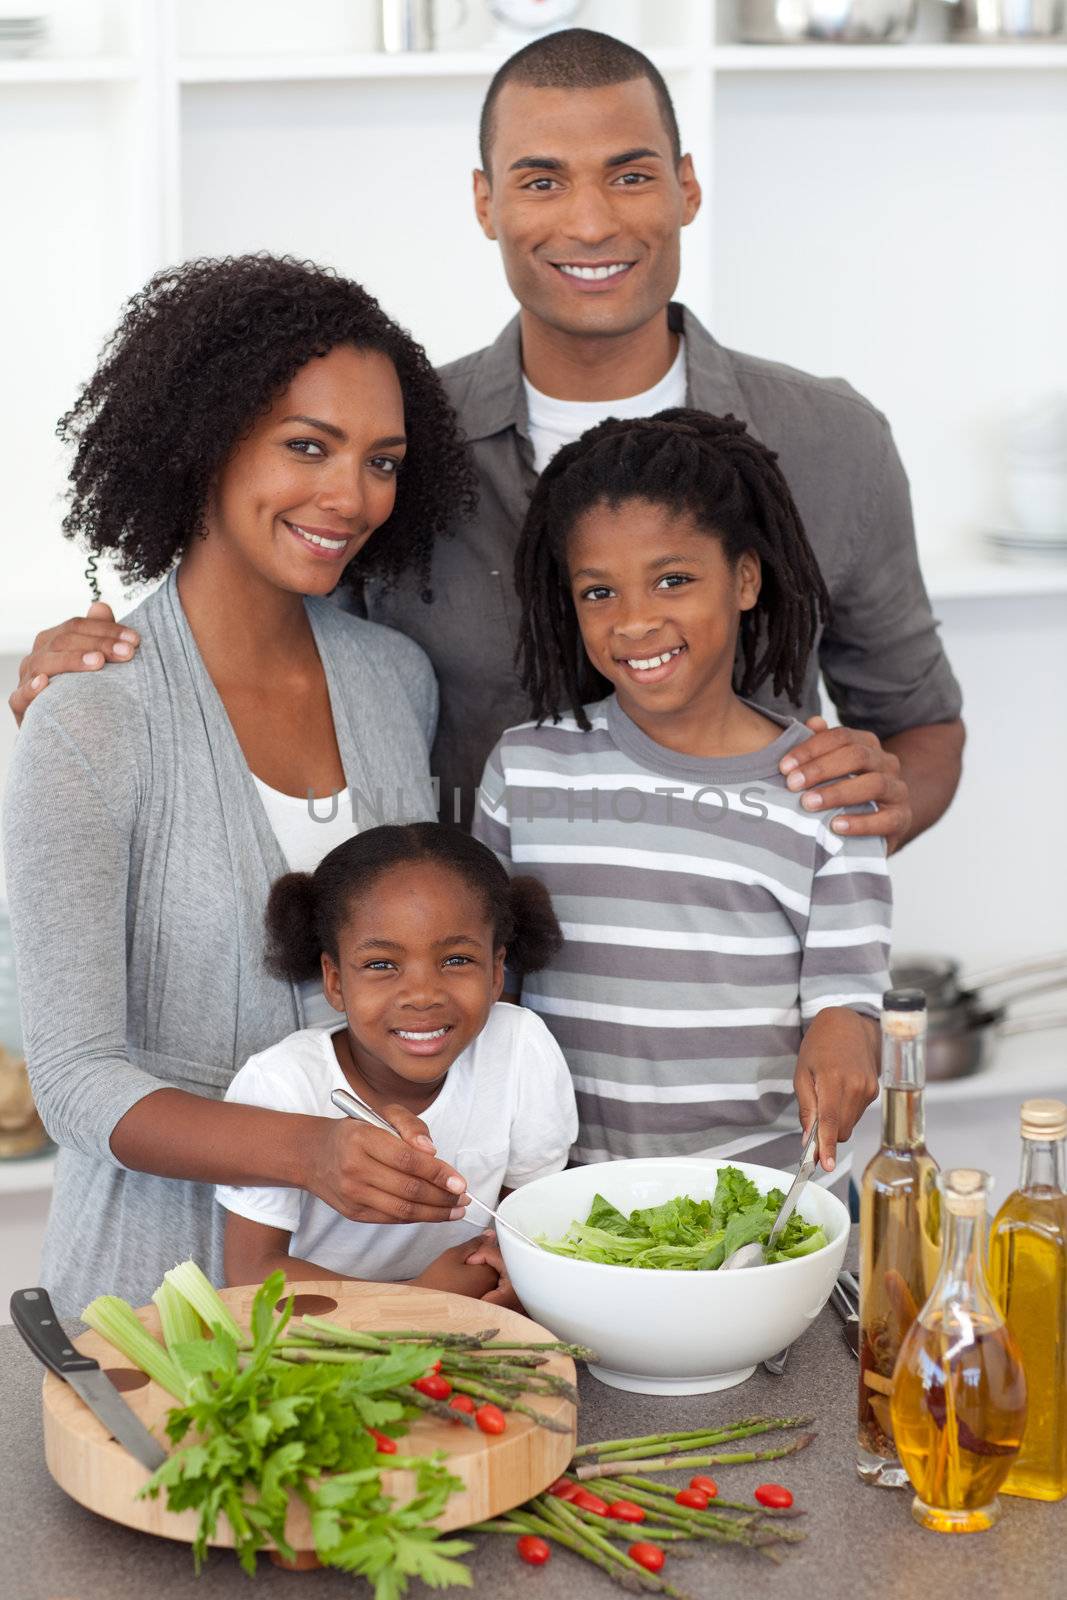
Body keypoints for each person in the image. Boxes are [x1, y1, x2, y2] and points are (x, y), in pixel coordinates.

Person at [11, 31, 963, 854]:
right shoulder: (397, 445)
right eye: (541, 181)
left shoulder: (832, 441)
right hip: (457, 1024)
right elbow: (248, 638)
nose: (590, 222)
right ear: (485, 203)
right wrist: (103, 673)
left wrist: (870, 805)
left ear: (684, 188)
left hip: (737, 1022)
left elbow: (918, 726)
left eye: (629, 176)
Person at [2, 254, 487, 1315]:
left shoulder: (392, 680)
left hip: (379, 1291)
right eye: (307, 446)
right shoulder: (90, 715)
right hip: (159, 1305)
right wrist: (307, 1150)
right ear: (207, 438)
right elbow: (76, 1082)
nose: (350, 495)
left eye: (381, 460)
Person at [474, 411, 891, 1183]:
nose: (634, 620)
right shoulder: (525, 770)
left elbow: (847, 1000)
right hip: (564, 1199)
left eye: (673, 579)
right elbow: (493, 992)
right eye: (599, 591)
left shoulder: (828, 788)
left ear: (743, 578)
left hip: (763, 1202)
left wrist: (845, 1034)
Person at [219, 824, 576, 1306]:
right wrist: (417, 1301)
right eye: (382, 965)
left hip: (470, 1322)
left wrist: (506, 1268)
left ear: (496, 972)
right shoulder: (281, 1083)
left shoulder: (519, 1047)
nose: (423, 995)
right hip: (325, 1340)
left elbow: (530, 1218)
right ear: (336, 980)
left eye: (456, 959)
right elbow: (251, 1271)